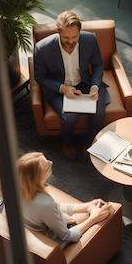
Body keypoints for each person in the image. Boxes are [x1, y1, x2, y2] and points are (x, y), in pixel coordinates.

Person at [0, 152, 114, 248]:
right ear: (36, 178)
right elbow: (67, 236)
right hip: (42, 240)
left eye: (46, 159)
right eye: (46, 166)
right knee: (102, 213)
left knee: (84, 212)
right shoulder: (45, 203)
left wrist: (86, 206)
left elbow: (54, 206)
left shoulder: (16, 186)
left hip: (20, 220)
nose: (51, 162)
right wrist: (94, 218)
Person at [33, 10, 109, 160]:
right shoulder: (42, 48)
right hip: (58, 88)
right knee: (69, 117)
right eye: (66, 37)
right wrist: (62, 89)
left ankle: (90, 143)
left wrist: (95, 86)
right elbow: (39, 77)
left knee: (99, 113)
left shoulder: (90, 40)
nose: (71, 41)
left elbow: (98, 64)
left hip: (85, 83)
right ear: (57, 31)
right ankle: (67, 143)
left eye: (75, 36)